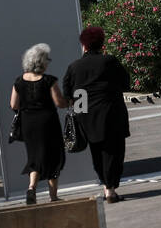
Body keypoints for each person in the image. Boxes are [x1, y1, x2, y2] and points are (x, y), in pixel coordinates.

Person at [62, 25, 131, 203]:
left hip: (88, 117)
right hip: (112, 113)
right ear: (101, 44)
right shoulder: (109, 61)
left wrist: (83, 110)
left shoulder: (74, 67)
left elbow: (70, 94)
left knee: (97, 153)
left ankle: (107, 186)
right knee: (114, 153)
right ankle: (110, 188)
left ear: (84, 46)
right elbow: (125, 83)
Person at [9, 43, 67, 205]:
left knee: (35, 157)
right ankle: (53, 196)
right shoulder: (49, 80)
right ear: (41, 62)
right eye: (47, 59)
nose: (48, 62)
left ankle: (31, 187)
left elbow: (14, 105)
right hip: (48, 123)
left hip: (29, 124)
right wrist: (71, 101)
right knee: (54, 157)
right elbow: (59, 103)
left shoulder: (19, 81)